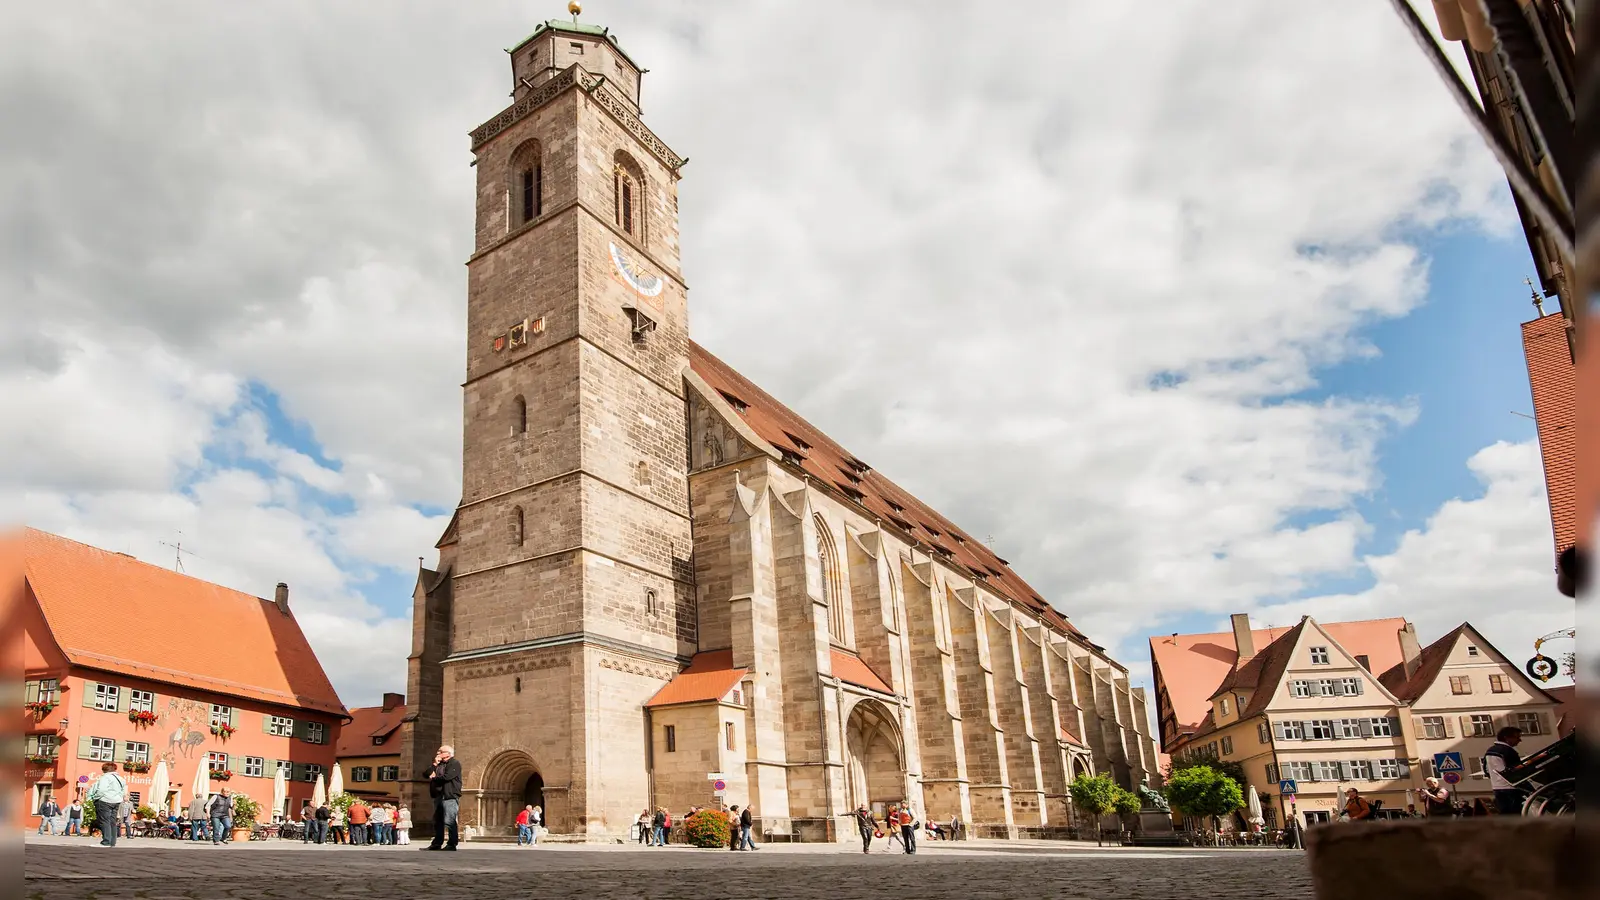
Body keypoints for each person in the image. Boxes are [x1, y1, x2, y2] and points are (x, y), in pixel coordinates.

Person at [423, 744, 462, 851]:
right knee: (438, 820)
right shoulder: (439, 764)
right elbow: (426, 774)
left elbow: (447, 777)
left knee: (449, 820)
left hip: (450, 795)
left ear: (448, 754)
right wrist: (435, 764)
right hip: (438, 795)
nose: (438, 753)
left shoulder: (454, 763)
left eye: (440, 752)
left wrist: (434, 777)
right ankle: (436, 843)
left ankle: (452, 844)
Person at [86, 762, 129, 847]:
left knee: (104, 821)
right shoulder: (121, 779)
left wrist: (95, 798)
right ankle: (112, 842)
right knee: (112, 822)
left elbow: (101, 790)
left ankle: (106, 841)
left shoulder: (105, 777)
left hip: (104, 801)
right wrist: (117, 798)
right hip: (116, 802)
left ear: (104, 769)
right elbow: (124, 792)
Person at [1485, 726, 1525, 815]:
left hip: (1497, 787)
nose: (1519, 740)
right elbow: (1516, 770)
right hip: (1511, 787)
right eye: (1517, 737)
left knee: (1504, 813)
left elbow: (1486, 770)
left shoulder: (1490, 750)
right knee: (1515, 814)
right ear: (1507, 738)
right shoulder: (1508, 751)